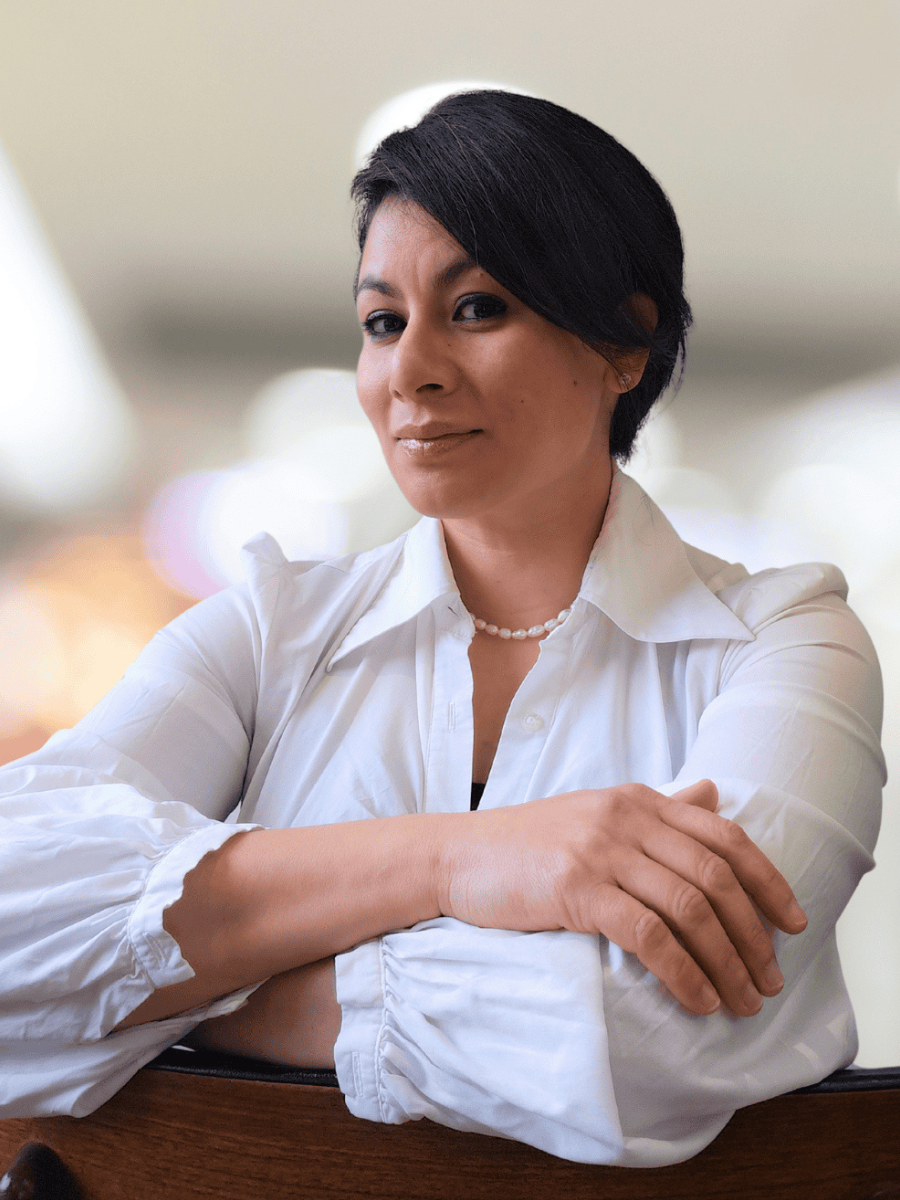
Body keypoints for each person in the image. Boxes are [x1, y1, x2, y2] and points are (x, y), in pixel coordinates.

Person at [0, 90, 884, 1167]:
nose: (410, 368)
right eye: (383, 321)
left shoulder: (785, 644)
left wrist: (182, 993)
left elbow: (634, 1039)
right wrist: (464, 859)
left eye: (475, 309)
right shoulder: (273, 630)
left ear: (627, 342)